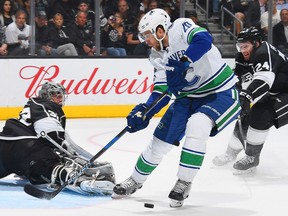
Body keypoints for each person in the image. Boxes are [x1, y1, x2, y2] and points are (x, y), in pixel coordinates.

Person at [112, 9, 241, 208]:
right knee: (159, 142)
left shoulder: (180, 27)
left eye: (147, 35)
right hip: (187, 98)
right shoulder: (156, 55)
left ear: (160, 30)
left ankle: (184, 182)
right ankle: (135, 180)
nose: (146, 40)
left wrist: (184, 60)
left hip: (218, 92)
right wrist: (146, 110)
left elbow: (204, 40)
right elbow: (163, 89)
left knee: (197, 126)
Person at [0, 81, 115, 196]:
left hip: (4, 147)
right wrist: (71, 157)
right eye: (58, 96)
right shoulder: (47, 106)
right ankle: (82, 182)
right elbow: (51, 135)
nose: (61, 100)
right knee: (53, 166)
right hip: (28, 150)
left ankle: (24, 169)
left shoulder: (32, 105)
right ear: (48, 96)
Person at [212, 27, 288, 175]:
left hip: (285, 92)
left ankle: (252, 157)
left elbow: (263, 80)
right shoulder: (242, 56)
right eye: (240, 46)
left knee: (261, 114)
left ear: (257, 43)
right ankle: (231, 153)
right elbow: (237, 80)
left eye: (246, 46)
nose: (242, 50)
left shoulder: (265, 53)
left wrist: (247, 96)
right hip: (273, 91)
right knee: (246, 117)